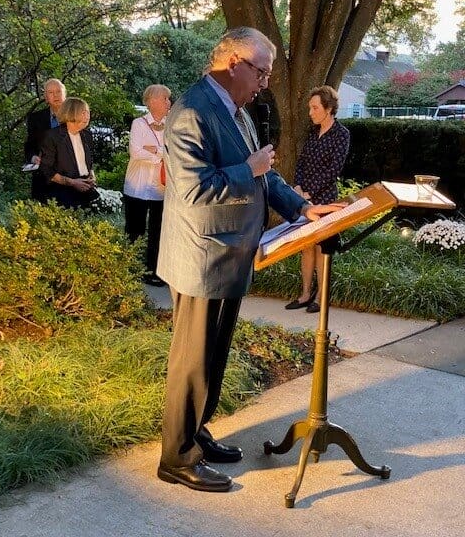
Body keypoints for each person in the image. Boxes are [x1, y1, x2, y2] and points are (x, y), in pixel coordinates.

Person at [156, 27, 344, 493]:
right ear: (234, 61)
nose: (264, 82)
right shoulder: (192, 111)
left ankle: (196, 433)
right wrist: (250, 169)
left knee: (213, 357)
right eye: (261, 71)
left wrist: (301, 207)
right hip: (202, 257)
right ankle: (176, 458)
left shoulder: (234, 109)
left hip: (231, 253)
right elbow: (196, 188)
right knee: (193, 361)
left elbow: (265, 172)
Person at [285, 85, 350, 312]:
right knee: (306, 246)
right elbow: (301, 163)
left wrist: (309, 192)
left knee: (323, 249)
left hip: (325, 201)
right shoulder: (312, 134)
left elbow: (333, 170)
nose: (310, 112)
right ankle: (304, 294)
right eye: (310, 108)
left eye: (315, 108)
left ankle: (320, 298)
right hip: (305, 199)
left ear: (329, 108)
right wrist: (298, 188)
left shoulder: (341, 135)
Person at [123, 85, 171, 287]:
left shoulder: (171, 125)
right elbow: (135, 152)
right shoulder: (138, 124)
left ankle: (154, 270)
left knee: (157, 231)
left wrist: (155, 150)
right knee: (135, 229)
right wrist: (161, 153)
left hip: (160, 187)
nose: (169, 102)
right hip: (138, 186)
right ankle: (131, 268)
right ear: (152, 101)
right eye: (166, 99)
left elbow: (173, 151)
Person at [39, 97, 97, 209]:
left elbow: (89, 162)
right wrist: (73, 183)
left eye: (88, 113)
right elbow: (47, 171)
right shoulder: (52, 137)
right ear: (71, 112)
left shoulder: (87, 135)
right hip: (61, 195)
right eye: (83, 112)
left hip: (86, 192)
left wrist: (91, 175)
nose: (87, 116)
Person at [24, 79, 66, 202]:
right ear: (46, 97)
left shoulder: (75, 116)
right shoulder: (35, 118)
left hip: (70, 179)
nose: (56, 95)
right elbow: (29, 147)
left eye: (58, 91)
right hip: (43, 181)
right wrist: (33, 158)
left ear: (65, 94)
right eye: (51, 92)